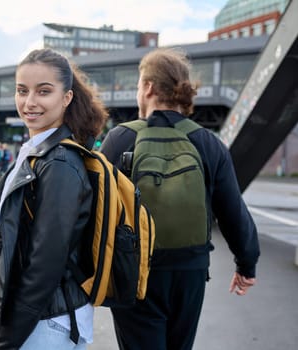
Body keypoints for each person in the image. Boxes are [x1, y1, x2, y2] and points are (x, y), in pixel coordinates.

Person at [100, 47, 260, 350]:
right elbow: (233, 211)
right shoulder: (208, 143)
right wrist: (246, 263)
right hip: (191, 270)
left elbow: (94, 206)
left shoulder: (120, 138)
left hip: (135, 271)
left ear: (147, 87)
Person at [0, 48, 108, 349]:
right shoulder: (39, 152)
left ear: (66, 98)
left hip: (49, 322)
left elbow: (46, 261)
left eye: (44, 91)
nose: (29, 102)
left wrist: (7, 339)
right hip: (40, 317)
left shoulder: (59, 162)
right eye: (22, 91)